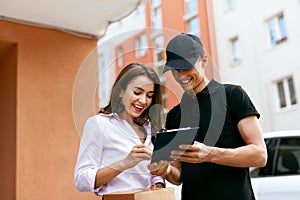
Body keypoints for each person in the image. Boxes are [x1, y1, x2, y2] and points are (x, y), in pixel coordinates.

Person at [148, 33, 268, 200]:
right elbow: (179, 175)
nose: (181, 75)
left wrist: (210, 154)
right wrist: (166, 170)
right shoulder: (175, 115)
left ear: (203, 60)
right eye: (176, 69)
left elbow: (260, 155)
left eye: (187, 66)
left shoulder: (233, 96)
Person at [74, 63, 165, 196]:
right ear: (120, 91)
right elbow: (81, 179)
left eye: (149, 95)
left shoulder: (151, 128)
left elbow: (153, 175)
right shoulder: (99, 124)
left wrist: (158, 183)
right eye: (137, 92)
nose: (143, 100)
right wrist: (124, 163)